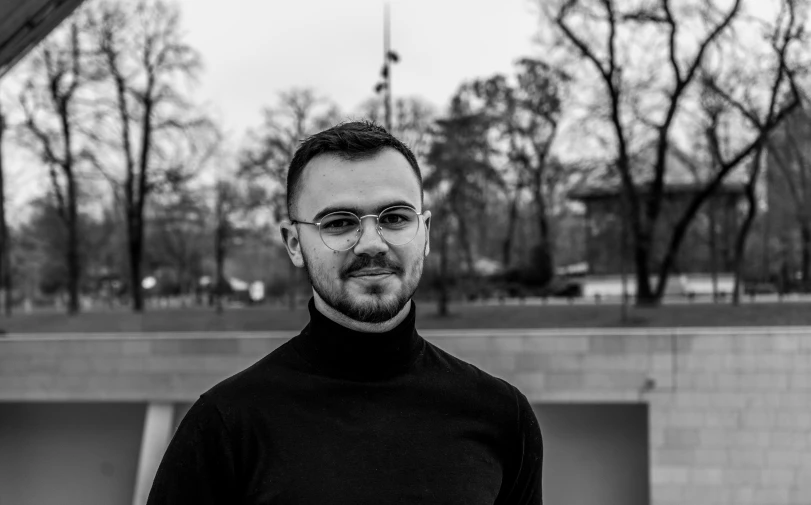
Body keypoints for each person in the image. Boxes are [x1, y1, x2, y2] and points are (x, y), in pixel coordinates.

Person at [146, 121, 543, 504]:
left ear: (426, 234)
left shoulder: (503, 417)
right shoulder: (225, 427)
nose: (371, 243)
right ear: (294, 244)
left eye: (395, 218)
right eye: (338, 223)